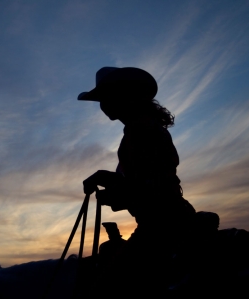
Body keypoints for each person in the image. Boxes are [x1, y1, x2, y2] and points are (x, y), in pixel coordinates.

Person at [78, 67, 196, 295]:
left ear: (125, 97)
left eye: (106, 98)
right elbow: (142, 179)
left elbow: (153, 188)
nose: (102, 106)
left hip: (162, 225)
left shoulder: (142, 131)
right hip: (165, 220)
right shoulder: (139, 129)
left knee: (106, 287)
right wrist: (106, 178)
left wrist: (114, 193)